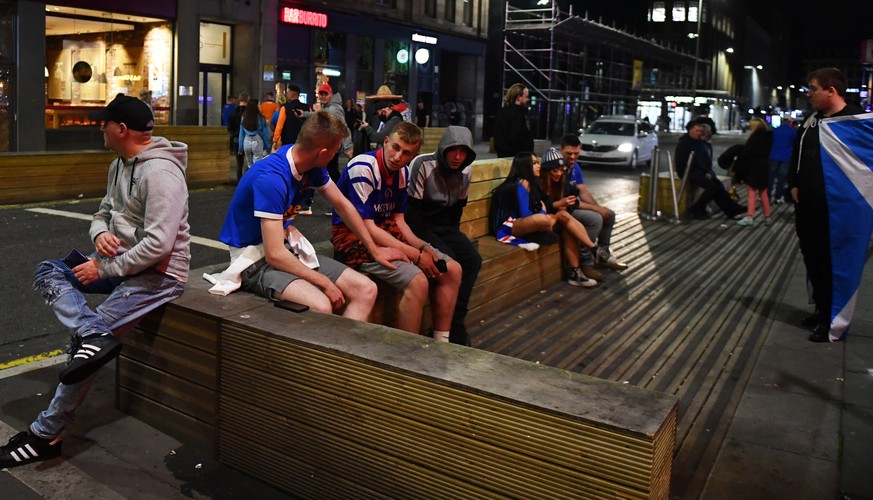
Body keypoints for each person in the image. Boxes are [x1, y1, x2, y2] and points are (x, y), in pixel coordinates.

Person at [0, 94, 190, 468]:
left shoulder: (161, 174)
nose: (99, 128)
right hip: (121, 261)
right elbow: (103, 211)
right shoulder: (119, 164)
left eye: (104, 123)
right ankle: (91, 333)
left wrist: (103, 270)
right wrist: (99, 234)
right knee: (50, 270)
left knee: (83, 358)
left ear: (121, 129)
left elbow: (159, 245)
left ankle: (44, 435)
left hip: (159, 274)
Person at [218, 110, 403, 319]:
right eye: (335, 151)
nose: (336, 156)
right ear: (323, 153)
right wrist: (324, 282)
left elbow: (343, 205)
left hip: (284, 246)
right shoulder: (272, 178)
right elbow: (275, 255)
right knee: (322, 304)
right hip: (250, 258)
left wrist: (374, 249)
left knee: (367, 289)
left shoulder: (310, 164)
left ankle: (340, 351)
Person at [332, 122, 462, 339]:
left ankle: (442, 342)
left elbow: (400, 222)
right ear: (385, 142)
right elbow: (366, 227)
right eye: (395, 147)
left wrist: (422, 248)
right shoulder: (363, 167)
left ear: (414, 155)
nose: (398, 156)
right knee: (418, 281)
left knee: (453, 270)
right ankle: (406, 352)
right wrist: (416, 256)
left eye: (406, 153)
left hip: (386, 232)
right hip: (354, 238)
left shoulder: (402, 173)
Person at [787, 67, 864, 343]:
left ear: (831, 91)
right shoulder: (811, 120)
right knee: (813, 261)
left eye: (813, 88)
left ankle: (831, 318)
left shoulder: (856, 122)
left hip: (836, 210)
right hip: (806, 205)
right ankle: (822, 309)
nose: (808, 94)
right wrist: (793, 184)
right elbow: (797, 154)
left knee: (832, 263)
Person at [406, 126, 481, 345]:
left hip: (446, 226)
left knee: (473, 259)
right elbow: (413, 214)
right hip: (420, 227)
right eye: (453, 150)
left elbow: (457, 210)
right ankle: (443, 329)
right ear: (443, 148)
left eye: (463, 152)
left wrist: (456, 239)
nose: (458, 157)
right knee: (449, 262)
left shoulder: (466, 171)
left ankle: (456, 321)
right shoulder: (423, 164)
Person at [493, 149, 598, 287]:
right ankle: (592, 251)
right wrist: (545, 213)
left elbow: (538, 208)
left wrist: (547, 213)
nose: (538, 166)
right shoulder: (522, 183)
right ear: (525, 166)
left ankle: (580, 266)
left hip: (526, 224)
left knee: (563, 219)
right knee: (545, 219)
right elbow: (526, 215)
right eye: (534, 163)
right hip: (508, 227)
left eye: (538, 162)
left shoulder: (532, 183)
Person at [558, 135, 628, 279]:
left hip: (572, 205)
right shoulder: (557, 167)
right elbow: (568, 201)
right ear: (561, 150)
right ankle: (586, 263)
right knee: (594, 219)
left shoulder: (574, 166)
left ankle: (603, 255)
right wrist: (596, 209)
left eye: (576, 153)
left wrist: (599, 208)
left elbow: (582, 190)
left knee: (609, 214)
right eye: (569, 153)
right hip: (562, 208)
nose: (572, 157)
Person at [676, 122, 745, 220]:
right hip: (689, 171)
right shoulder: (685, 143)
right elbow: (688, 162)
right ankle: (696, 209)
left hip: (700, 170)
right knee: (712, 187)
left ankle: (732, 209)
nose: (700, 133)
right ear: (690, 131)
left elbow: (703, 161)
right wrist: (705, 173)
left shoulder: (699, 142)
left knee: (718, 185)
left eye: (701, 131)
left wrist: (708, 172)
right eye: (697, 131)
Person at [296, 83, 353, 182]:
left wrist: (348, 147)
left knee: (330, 170)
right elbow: (318, 114)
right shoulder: (328, 107)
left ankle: (340, 191)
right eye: (321, 94)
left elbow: (343, 127)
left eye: (325, 94)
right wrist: (304, 114)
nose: (323, 96)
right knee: (330, 170)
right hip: (329, 145)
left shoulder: (334, 109)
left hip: (332, 146)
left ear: (330, 94)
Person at [734, 118, 774, 226]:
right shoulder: (768, 137)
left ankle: (750, 216)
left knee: (751, 192)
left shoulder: (754, 138)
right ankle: (767, 217)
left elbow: (747, 153)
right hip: (764, 167)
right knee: (763, 192)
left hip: (753, 167)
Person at [493, 83, 534, 158]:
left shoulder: (502, 112)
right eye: (526, 97)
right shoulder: (517, 114)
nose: (528, 100)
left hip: (502, 156)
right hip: (516, 158)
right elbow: (515, 138)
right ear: (519, 97)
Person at [238, 98, 271, 174]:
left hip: (246, 142)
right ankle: (255, 182)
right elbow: (266, 134)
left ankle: (248, 180)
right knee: (257, 164)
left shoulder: (244, 117)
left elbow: (241, 134)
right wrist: (268, 146)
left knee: (249, 164)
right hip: (257, 141)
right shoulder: (261, 118)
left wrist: (240, 148)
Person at [767, 118, 798, 203]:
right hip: (786, 157)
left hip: (773, 156)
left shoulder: (775, 130)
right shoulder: (793, 132)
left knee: (770, 178)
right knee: (782, 178)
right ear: (789, 122)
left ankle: (767, 197)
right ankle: (778, 197)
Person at [272, 84, 309, 151]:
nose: (287, 94)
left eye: (288, 92)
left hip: (288, 142)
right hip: (303, 141)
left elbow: (279, 126)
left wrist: (275, 140)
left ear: (292, 94)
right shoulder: (307, 107)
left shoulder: (285, 108)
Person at [226, 92, 249, 182]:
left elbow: (229, 126)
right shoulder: (250, 112)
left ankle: (239, 180)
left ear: (239, 100)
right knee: (248, 161)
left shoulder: (233, 112)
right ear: (247, 100)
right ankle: (247, 180)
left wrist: (233, 134)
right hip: (248, 139)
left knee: (239, 162)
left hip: (236, 138)